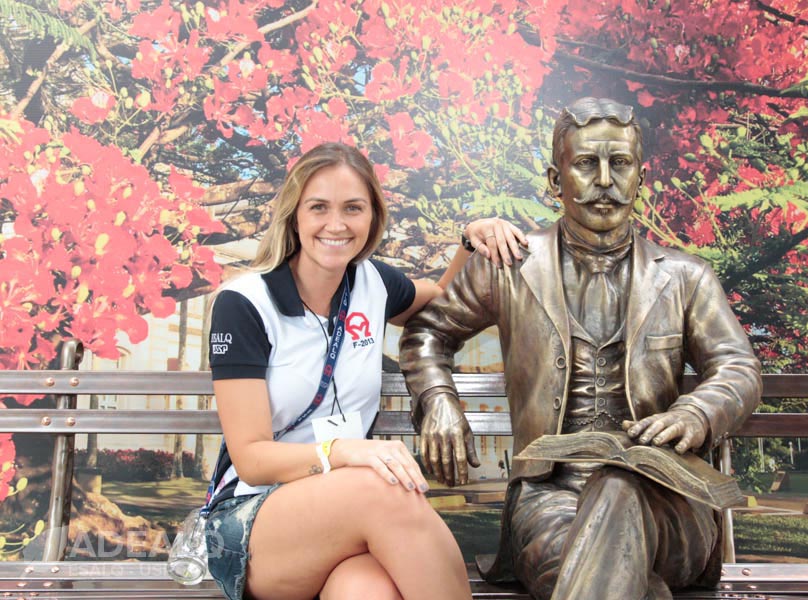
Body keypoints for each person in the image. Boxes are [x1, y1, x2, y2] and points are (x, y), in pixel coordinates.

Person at [399, 98, 762, 600]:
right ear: (555, 179)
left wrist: (698, 412)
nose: (605, 180)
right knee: (595, 569)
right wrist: (438, 401)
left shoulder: (686, 277)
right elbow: (427, 333)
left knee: (614, 498)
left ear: (640, 177)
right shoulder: (510, 268)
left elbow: (737, 366)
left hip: (667, 500)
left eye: (621, 163)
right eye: (587, 163)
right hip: (551, 499)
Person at [204, 141, 527, 600]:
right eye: (319, 207)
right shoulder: (244, 303)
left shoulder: (372, 282)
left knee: (367, 590)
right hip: (255, 522)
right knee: (383, 488)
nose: (336, 224)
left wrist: (470, 239)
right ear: (295, 216)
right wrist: (343, 452)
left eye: (353, 208)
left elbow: (440, 296)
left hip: (345, 520)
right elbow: (252, 461)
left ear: (372, 217)